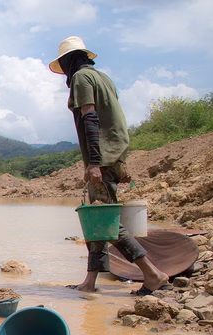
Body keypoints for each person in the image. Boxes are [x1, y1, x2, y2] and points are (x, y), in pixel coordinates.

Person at [50, 36, 170, 295]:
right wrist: (120, 160)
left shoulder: (82, 79)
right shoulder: (103, 78)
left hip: (102, 157)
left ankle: (152, 273)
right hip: (114, 152)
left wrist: (94, 163)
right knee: (97, 219)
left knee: (107, 222)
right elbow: (114, 120)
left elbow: (91, 118)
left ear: (68, 61)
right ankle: (90, 282)